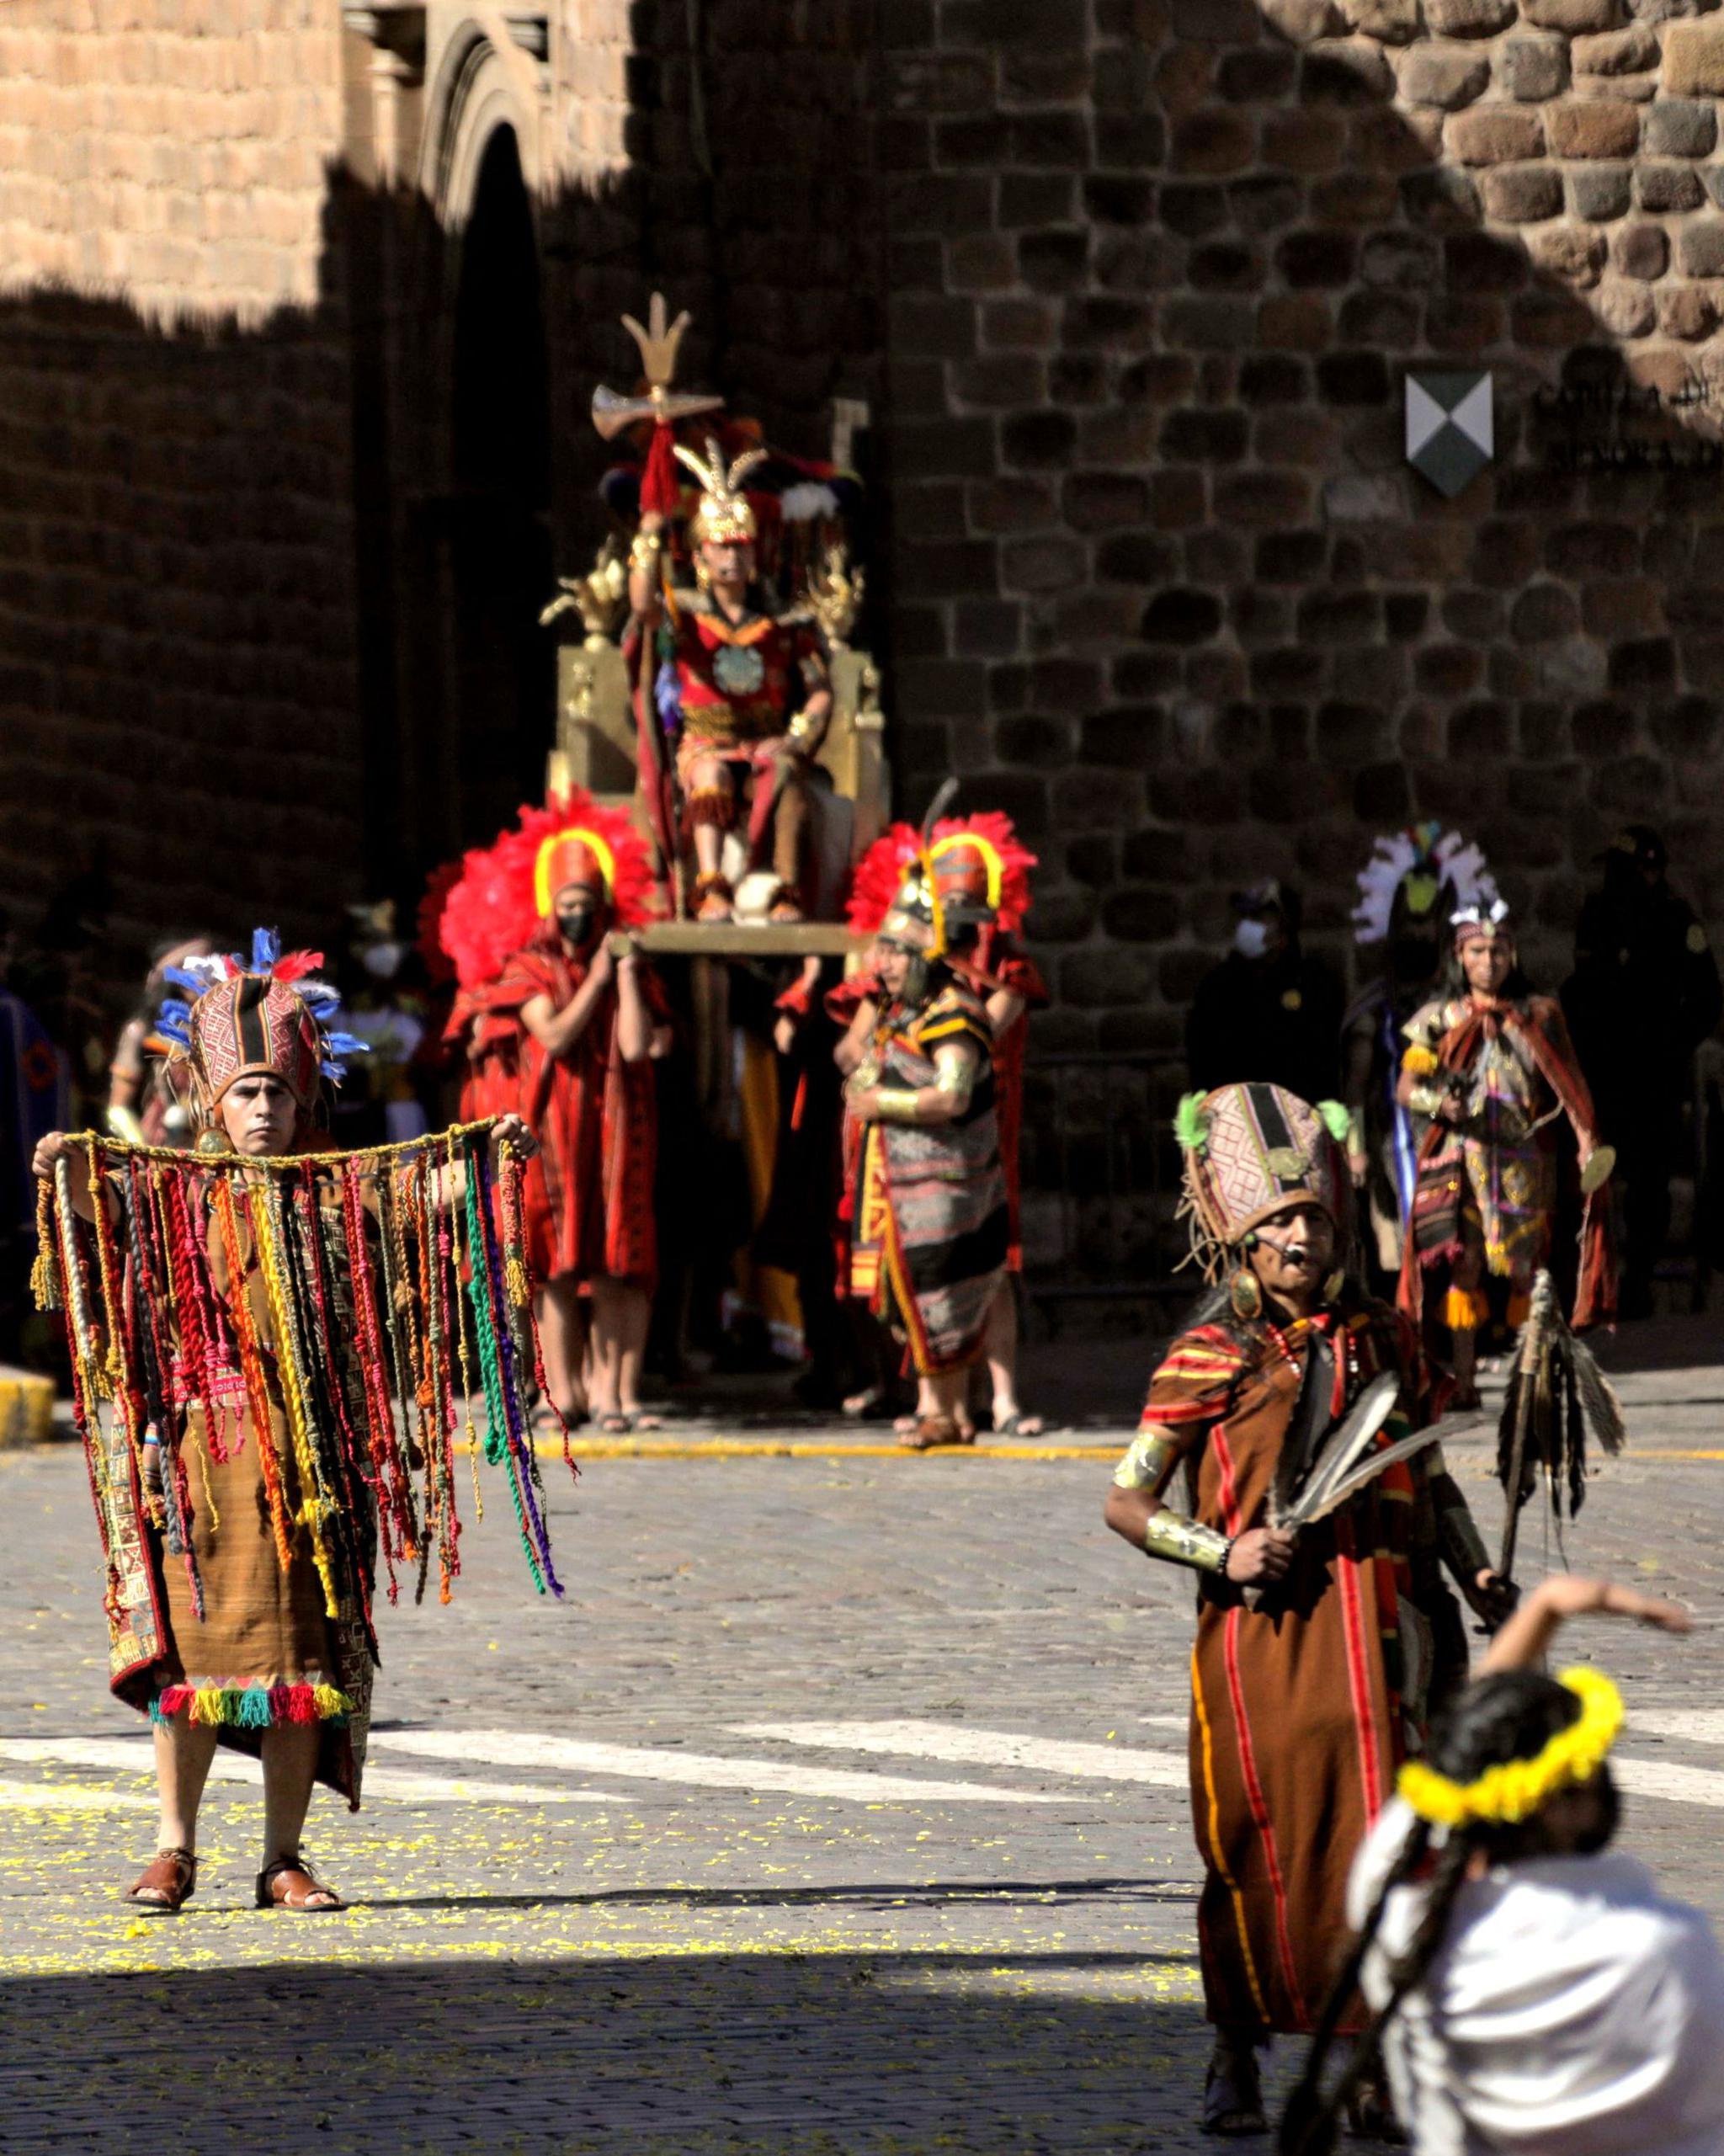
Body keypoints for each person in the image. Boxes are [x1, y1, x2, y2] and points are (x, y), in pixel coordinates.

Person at [31, 931, 541, 1914]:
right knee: (186, 1660)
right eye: (244, 1093)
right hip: (196, 1459)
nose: (261, 1109)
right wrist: (66, 1170)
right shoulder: (175, 1187)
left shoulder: (339, 1190)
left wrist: (488, 1156)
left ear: (306, 1097)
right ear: (211, 1102)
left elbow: (428, 1192)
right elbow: (99, 1219)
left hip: (311, 1463)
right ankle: (173, 1848)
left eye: (276, 1091)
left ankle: (282, 1855)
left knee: (302, 1664)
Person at [1103, 1081, 1509, 2136]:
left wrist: (1473, 1575)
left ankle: (1368, 2062)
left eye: (1312, 1217)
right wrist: (1221, 1547)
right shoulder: (1206, 1355)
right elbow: (1126, 1499)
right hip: (1266, 1638)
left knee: (1385, 1840)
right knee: (1258, 1841)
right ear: (1239, 1239)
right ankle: (1233, 2049)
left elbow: (1428, 1472)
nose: (1298, 1234)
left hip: (1383, 1631)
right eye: (1277, 1220)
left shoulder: (1383, 1338)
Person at [1282, 1575, 1721, 2156]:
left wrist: (1541, 1610)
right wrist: (1548, 1608)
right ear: (1576, 1798)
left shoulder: (1401, 1912)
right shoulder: (1665, 1947)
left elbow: (1453, 1770)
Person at [434, 794, 669, 1434]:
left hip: (618, 1127)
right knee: (558, 1263)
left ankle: (619, 1393)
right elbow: (558, 1035)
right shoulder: (529, 968)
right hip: (556, 1134)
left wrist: (623, 973)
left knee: (623, 1260)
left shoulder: (622, 964)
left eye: (586, 902)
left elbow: (637, 1045)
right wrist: (595, 978)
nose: (576, 914)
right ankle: (563, 1393)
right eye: (565, 903)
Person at [843, 812, 1048, 1436]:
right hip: (905, 1184)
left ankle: (955, 1408)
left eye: (897, 953)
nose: (886, 965)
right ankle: (939, 1407)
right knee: (915, 1284)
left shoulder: (956, 1009)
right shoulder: (902, 1008)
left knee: (950, 1284)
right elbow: (858, 1058)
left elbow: (953, 1092)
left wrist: (885, 1102)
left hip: (951, 1176)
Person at [1398, 901, 1613, 1409]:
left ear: (1512, 955)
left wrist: (1586, 1141)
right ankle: (1466, 1383)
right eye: (1478, 950)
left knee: (1528, 1272)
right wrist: (1438, 1102)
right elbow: (1406, 1087)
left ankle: (1530, 1379)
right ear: (1460, 955)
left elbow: (1570, 1085)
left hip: (1524, 1161)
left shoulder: (1539, 1015)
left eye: (1498, 950)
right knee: (1465, 1267)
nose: (1489, 961)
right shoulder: (1440, 1017)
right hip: (1462, 1159)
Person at [627, 435, 833, 924]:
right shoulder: (685, 623)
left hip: (766, 742)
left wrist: (798, 735)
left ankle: (786, 888)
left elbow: (819, 688)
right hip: (706, 743)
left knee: (787, 777)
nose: (733, 556)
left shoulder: (785, 627)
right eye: (722, 545)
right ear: (699, 559)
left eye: (741, 545)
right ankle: (710, 884)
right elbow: (641, 608)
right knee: (709, 774)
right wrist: (649, 537)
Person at [1562, 825, 1722, 1318]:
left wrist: (1670, 1042)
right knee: (1600, 1170)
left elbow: (1706, 996)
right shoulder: (1598, 917)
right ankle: (1596, 1274)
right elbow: (1583, 988)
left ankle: (1639, 1277)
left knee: (1650, 1177)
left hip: (1654, 1071)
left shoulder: (1675, 921)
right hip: (1606, 1068)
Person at [1342, 828, 1498, 1291]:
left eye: (1426, 921)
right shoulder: (1375, 1006)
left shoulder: (1464, 1002)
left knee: (1463, 1248)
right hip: (1397, 1149)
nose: (1417, 932)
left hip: (1462, 1140)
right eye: (1408, 922)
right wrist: (1355, 1149)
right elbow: (1355, 1085)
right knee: (1400, 1253)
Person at [1187, 880, 1344, 1109]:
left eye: (1259, 917)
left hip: (1298, 1117)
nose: (1247, 925)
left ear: (1284, 928)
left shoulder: (1315, 984)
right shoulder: (1217, 986)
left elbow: (1324, 1066)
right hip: (1235, 1118)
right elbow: (1202, 1063)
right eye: (1245, 917)